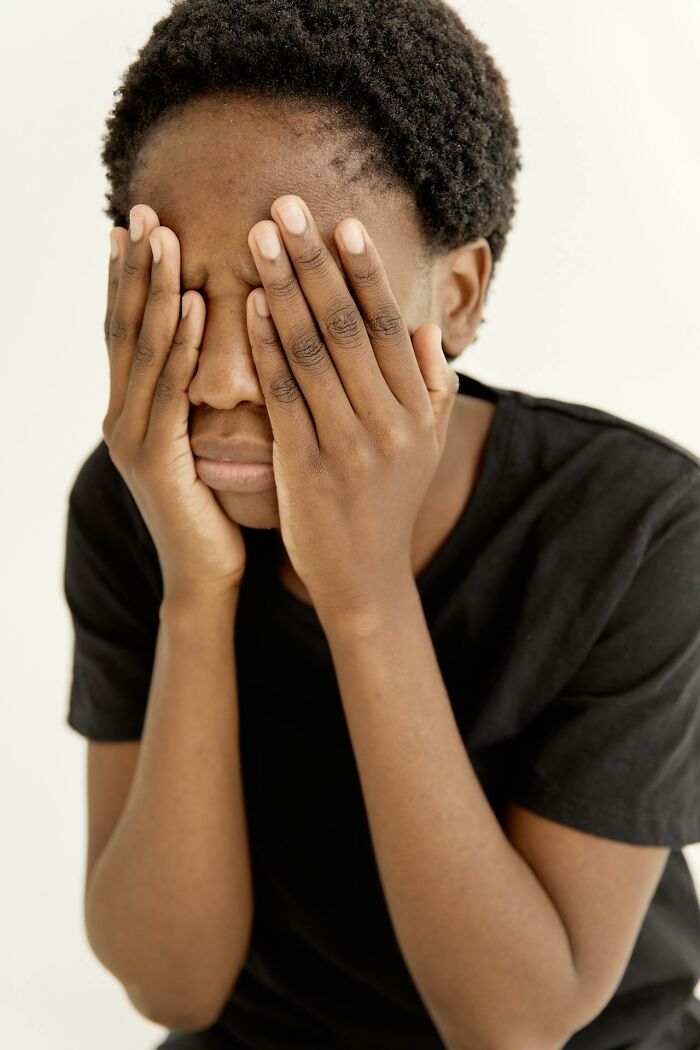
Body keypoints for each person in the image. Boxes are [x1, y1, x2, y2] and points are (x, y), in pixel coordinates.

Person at [63, 1, 700, 1047]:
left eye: (294, 311)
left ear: (457, 296)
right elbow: (172, 986)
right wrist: (195, 591)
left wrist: (360, 592)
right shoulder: (133, 497)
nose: (220, 380)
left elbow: (512, 1026)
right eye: (181, 299)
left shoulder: (638, 530)